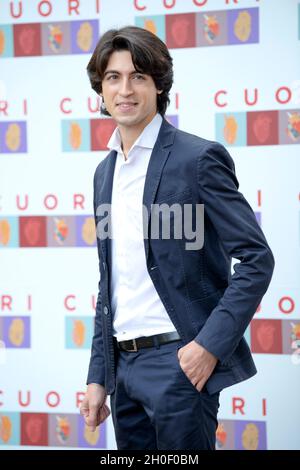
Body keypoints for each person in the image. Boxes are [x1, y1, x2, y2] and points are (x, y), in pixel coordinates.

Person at [80, 26, 275, 450]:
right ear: (101, 88)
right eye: (113, 77)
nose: (125, 89)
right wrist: (99, 375)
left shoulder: (197, 158)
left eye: (138, 77)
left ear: (158, 86)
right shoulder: (104, 174)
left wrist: (207, 347)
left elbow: (257, 259)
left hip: (179, 364)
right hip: (123, 371)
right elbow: (108, 285)